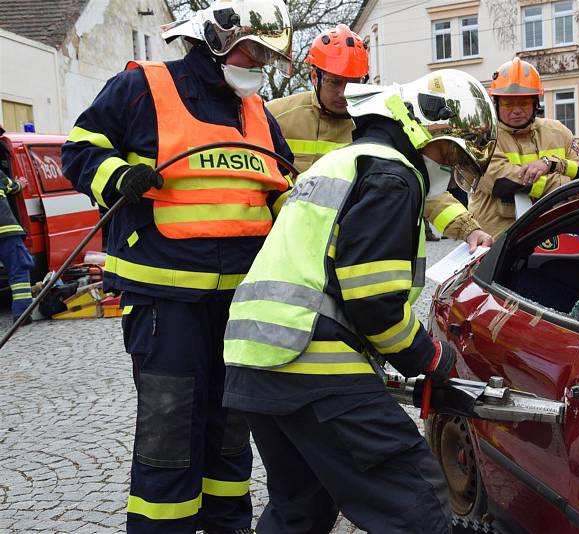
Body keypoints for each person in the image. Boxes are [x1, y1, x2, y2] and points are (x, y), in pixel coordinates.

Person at [223, 69, 497, 533]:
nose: (449, 167)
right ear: (421, 129)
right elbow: (374, 302)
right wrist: (430, 358)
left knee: (301, 508)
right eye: (449, 152)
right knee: (414, 502)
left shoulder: (345, 161)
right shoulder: (392, 176)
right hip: (312, 363)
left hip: (253, 360)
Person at [61, 1, 294, 532]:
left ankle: (228, 525)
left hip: (238, 304)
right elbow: (81, 149)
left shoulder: (256, 112)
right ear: (214, 39)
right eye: (251, 50)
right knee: (170, 433)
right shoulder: (145, 87)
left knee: (231, 428)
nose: (258, 62)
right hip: (166, 301)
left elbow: (279, 190)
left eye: (266, 55)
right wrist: (119, 177)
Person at [267, 24, 493, 250]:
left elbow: (421, 183)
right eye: (334, 81)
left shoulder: (382, 123)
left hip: (349, 248)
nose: (343, 92)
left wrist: (469, 228)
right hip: (288, 243)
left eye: (353, 82)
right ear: (314, 77)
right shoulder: (277, 116)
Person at [469, 57, 579, 237]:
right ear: (495, 103)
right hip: (498, 242)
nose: (517, 109)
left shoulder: (558, 131)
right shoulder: (482, 137)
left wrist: (552, 163)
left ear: (536, 103)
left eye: (524, 102)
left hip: (552, 236)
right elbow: (502, 183)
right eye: (508, 103)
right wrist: (563, 186)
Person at [0, 169, 34, 324]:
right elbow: (11, 186)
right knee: (19, 269)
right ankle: (22, 314)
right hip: (6, 232)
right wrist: (20, 183)